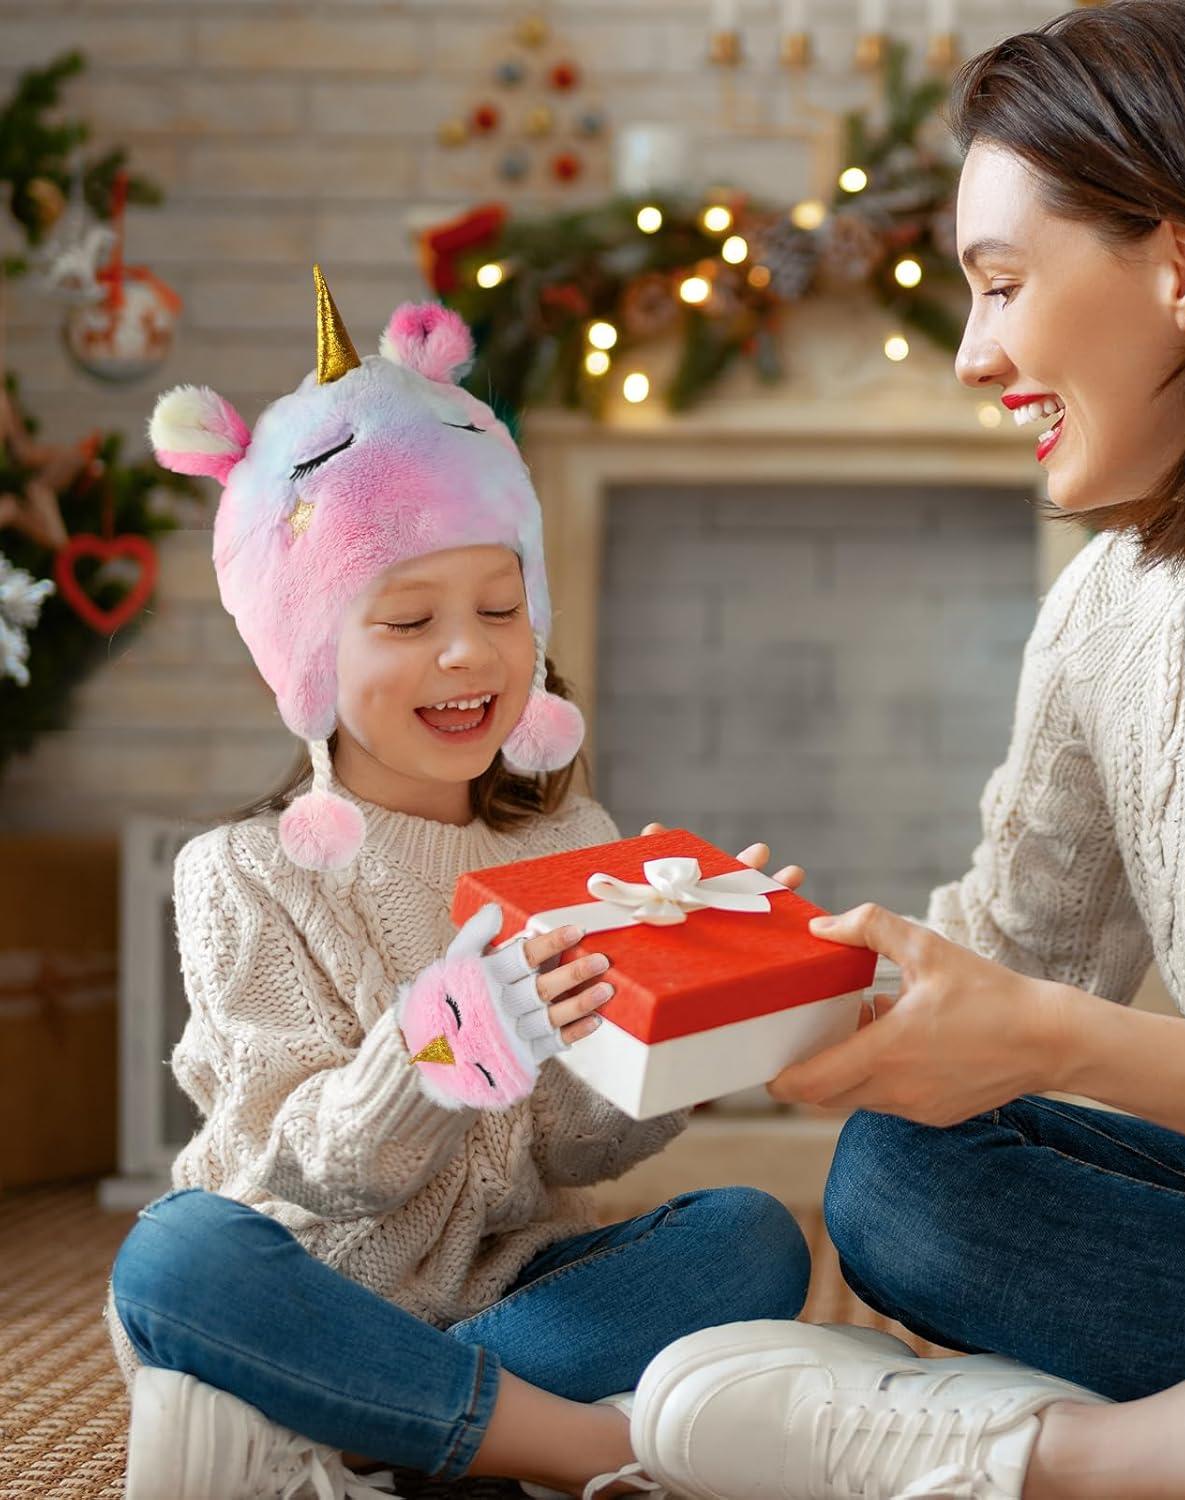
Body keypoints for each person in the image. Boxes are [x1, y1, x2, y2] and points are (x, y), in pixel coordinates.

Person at [619, 4, 1185, 1498]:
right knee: (906, 1174)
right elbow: (1000, 974)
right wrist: (739, 991)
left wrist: (1060, 1038)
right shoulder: (1111, 612)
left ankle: (1074, 1459)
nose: (975, 356)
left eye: (1002, 285)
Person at [104, 274, 811, 1499]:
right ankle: (577, 1448)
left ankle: (369, 1427)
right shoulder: (242, 873)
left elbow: (584, 1150)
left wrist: (694, 1010)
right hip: (304, 1281)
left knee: (746, 1234)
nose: (467, 651)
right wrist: (445, 1040)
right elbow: (306, 1169)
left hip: (502, 1292)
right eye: (408, 618)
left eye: (499, 606)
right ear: (309, 658)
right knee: (171, 1264)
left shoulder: (569, 837)